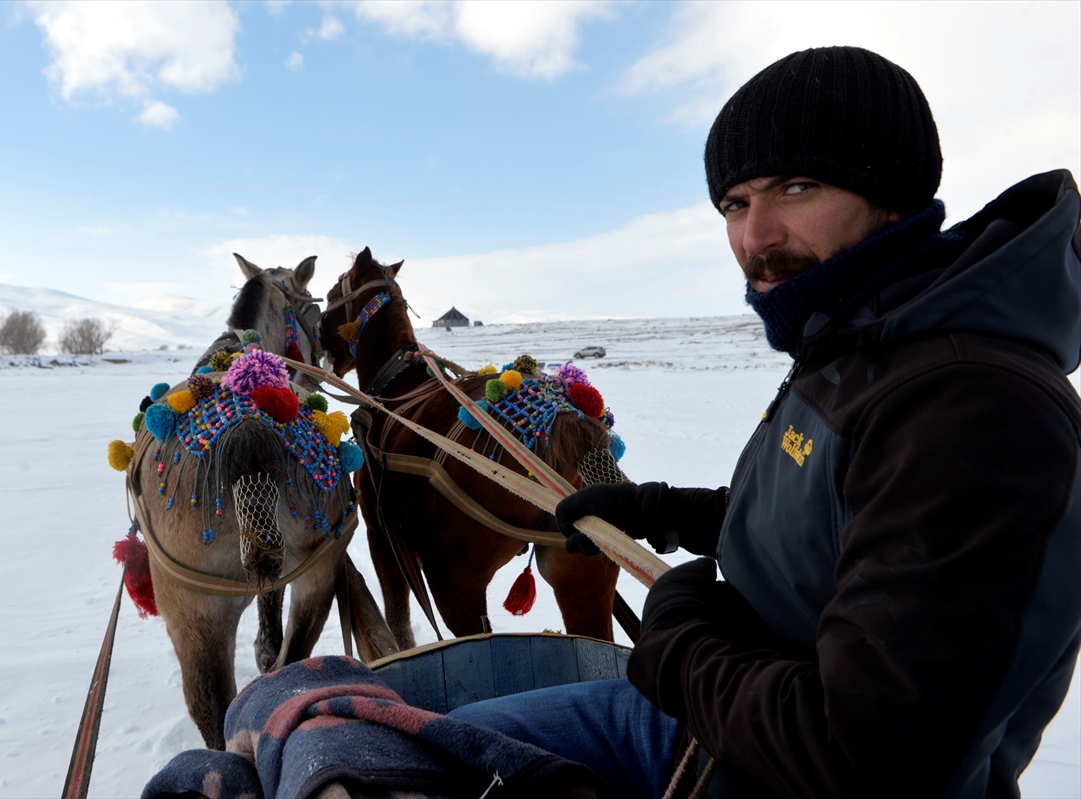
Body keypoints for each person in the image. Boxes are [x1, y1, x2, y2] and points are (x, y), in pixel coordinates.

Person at [450, 46, 1081, 799]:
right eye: (735, 204)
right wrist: (667, 511)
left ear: (893, 196)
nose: (756, 238)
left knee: (378, 741)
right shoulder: (859, 341)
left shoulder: (972, 405)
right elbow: (835, 534)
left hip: (743, 761)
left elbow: (862, 761)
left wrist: (679, 642)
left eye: (797, 186)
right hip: (731, 721)